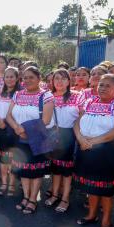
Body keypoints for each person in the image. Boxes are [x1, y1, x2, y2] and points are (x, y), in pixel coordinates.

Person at [73, 74, 114, 227]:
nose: (102, 88)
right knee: (92, 186)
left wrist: (92, 142)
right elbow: (77, 123)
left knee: (105, 189)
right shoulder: (90, 101)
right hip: (86, 149)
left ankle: (106, 220)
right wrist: (81, 138)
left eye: (107, 86)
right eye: (101, 85)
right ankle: (91, 215)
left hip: (106, 152)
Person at [6, 67, 54, 214]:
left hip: (37, 138)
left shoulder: (46, 96)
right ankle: (26, 197)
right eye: (25, 78)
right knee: (24, 169)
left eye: (31, 77)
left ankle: (33, 199)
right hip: (18, 137)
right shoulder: (18, 94)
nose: (27, 80)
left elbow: (45, 120)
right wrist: (16, 128)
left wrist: (25, 130)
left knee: (36, 170)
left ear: (39, 78)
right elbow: (9, 115)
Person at [45, 69, 81, 213]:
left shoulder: (77, 96)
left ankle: (65, 199)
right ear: (52, 81)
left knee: (67, 171)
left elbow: (82, 116)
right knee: (55, 169)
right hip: (53, 135)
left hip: (70, 135)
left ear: (68, 81)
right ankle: (54, 195)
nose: (59, 81)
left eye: (63, 78)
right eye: (56, 78)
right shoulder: (49, 97)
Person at [0, 67, 20, 197]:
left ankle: (12, 184)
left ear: (17, 78)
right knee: (4, 159)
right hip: (0, 126)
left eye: (12, 76)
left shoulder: (21, 93)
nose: (9, 79)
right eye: (7, 77)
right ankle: (3, 183)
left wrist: (11, 124)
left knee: (12, 158)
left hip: (14, 128)